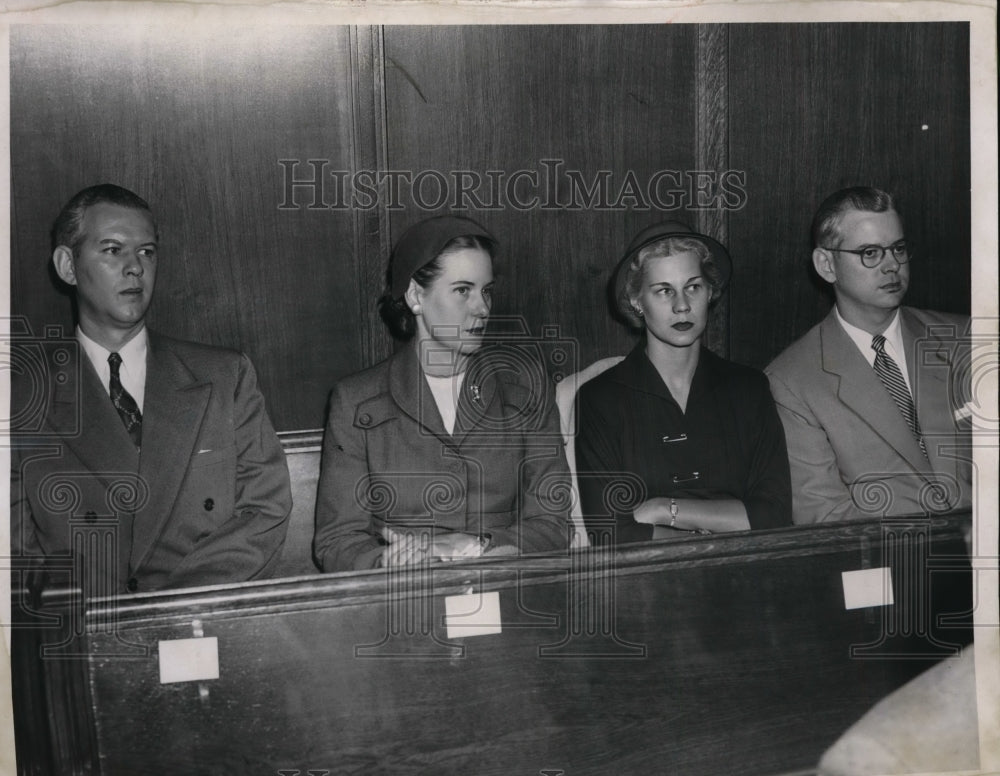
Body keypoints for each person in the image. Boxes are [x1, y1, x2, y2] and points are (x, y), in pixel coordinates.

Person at [9, 184, 292, 594]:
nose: (136, 267)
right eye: (112, 250)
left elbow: (264, 512)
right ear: (67, 266)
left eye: (147, 252)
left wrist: (169, 612)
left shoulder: (224, 376)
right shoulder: (20, 398)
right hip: (86, 636)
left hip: (202, 624)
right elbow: (16, 548)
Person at [313, 215, 570, 571]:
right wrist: (387, 562)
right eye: (463, 290)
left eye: (486, 290)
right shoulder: (355, 399)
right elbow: (336, 541)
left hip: (504, 589)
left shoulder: (525, 386)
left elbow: (553, 523)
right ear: (417, 296)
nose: (482, 308)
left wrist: (479, 545)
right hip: (403, 603)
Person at [574, 221, 792, 545]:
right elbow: (613, 533)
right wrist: (726, 524)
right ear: (636, 300)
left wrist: (665, 509)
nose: (682, 305)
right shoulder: (600, 399)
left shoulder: (749, 389)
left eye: (693, 287)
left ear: (710, 292)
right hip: (647, 585)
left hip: (747, 576)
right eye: (664, 290)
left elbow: (774, 516)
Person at [766, 187, 972, 524]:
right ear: (826, 264)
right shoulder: (791, 382)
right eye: (870, 253)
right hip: (888, 567)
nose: (892, 265)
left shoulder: (967, 340)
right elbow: (825, 519)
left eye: (898, 249)